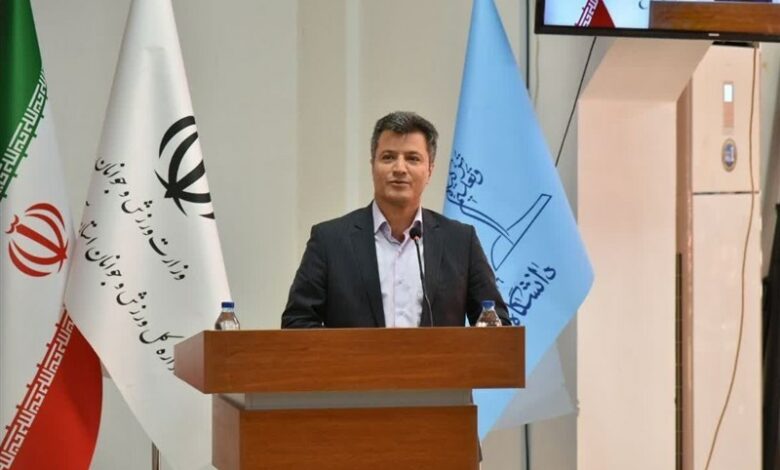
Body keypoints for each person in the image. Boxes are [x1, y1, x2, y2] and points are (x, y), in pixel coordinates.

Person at [281, 111, 509, 328]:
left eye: (412, 158)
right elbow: (297, 322)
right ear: (373, 165)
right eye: (388, 157)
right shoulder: (329, 241)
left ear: (430, 170)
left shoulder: (460, 242)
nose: (400, 168)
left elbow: (495, 325)